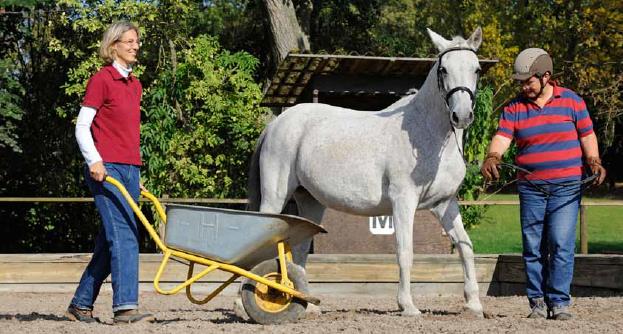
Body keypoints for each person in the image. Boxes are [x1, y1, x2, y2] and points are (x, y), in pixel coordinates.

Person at [481, 48, 606, 321]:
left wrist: (594, 161)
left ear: (546, 76)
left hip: (567, 187)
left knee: (561, 244)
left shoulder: (572, 102)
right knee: (533, 246)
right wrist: (493, 156)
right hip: (532, 187)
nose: (524, 86)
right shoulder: (514, 108)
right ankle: (537, 303)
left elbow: (587, 135)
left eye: (528, 81)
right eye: (521, 82)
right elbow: (502, 137)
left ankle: (559, 303)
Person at [66, 21, 155, 324]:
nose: (135, 46)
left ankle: (80, 304)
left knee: (111, 239)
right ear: (113, 45)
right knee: (126, 237)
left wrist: (136, 175)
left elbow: (127, 133)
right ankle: (125, 307)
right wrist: (94, 161)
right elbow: (81, 126)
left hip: (129, 169)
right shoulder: (101, 80)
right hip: (106, 169)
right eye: (129, 41)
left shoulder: (135, 84)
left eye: (137, 41)